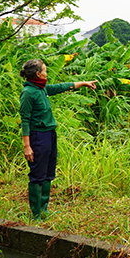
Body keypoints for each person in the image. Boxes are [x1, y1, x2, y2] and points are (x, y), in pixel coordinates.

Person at [19, 59, 97, 220]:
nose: (47, 73)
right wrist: (27, 146)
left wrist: (83, 83)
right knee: (37, 174)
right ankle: (35, 214)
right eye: (45, 70)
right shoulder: (28, 93)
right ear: (38, 74)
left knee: (48, 172)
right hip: (37, 136)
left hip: (49, 134)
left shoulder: (41, 89)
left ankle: (44, 208)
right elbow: (25, 120)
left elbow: (60, 87)